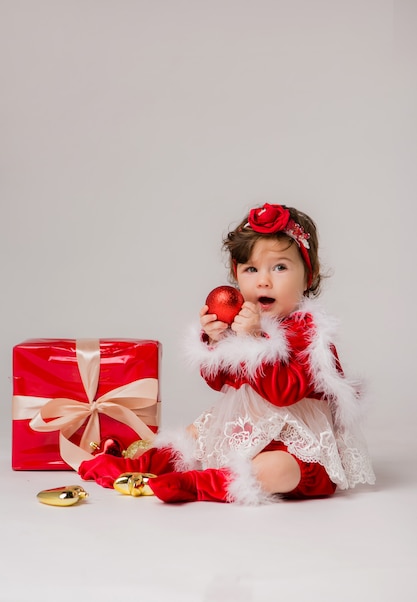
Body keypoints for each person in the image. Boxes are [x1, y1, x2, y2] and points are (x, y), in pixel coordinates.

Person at [79, 203, 375, 504]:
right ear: (237, 277)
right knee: (195, 433)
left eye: (280, 267)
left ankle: (197, 485)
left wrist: (253, 341)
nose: (263, 280)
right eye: (251, 269)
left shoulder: (309, 333)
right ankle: (138, 467)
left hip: (297, 443)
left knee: (277, 469)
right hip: (251, 428)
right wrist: (217, 339)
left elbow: (284, 393)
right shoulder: (243, 321)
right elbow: (220, 380)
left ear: (308, 277)